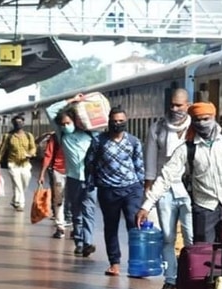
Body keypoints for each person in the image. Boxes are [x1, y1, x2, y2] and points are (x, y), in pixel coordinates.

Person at [136, 101, 222, 244]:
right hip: (204, 209)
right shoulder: (186, 149)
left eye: (206, 119)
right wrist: (146, 206)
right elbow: (166, 177)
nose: (202, 123)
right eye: (197, 120)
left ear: (214, 117)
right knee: (204, 254)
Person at [143, 88, 193, 289]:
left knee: (191, 239)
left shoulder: (195, 126)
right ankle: (170, 281)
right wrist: (149, 190)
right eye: (172, 105)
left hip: (190, 190)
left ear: (187, 105)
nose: (175, 109)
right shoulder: (158, 128)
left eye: (179, 105)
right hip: (164, 190)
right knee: (167, 237)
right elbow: (151, 161)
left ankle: (191, 280)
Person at [86, 106, 144, 276]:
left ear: (125, 122)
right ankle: (115, 263)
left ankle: (136, 263)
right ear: (109, 122)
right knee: (111, 227)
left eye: (121, 121)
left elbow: (139, 166)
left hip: (131, 189)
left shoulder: (133, 142)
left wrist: (142, 189)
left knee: (134, 227)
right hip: (108, 190)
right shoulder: (98, 141)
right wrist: (90, 184)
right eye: (114, 121)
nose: (117, 124)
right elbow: (89, 163)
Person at [46, 94, 97, 257]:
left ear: (75, 121)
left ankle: (88, 241)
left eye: (68, 123)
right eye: (63, 124)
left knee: (88, 211)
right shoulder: (63, 136)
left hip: (90, 180)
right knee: (76, 212)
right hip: (73, 179)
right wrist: (72, 100)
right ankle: (79, 242)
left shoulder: (90, 135)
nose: (65, 126)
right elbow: (50, 110)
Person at [0, 115, 36, 212]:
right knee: (17, 184)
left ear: (23, 123)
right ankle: (20, 203)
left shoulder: (29, 136)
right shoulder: (8, 136)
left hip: (25, 164)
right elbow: (2, 149)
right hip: (12, 163)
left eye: (20, 122)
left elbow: (33, 147)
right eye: (16, 123)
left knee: (25, 182)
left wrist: (30, 154)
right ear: (13, 124)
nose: (18, 124)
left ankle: (15, 200)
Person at [38, 131, 69, 239]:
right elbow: (48, 155)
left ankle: (77, 227)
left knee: (76, 201)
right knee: (58, 200)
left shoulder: (81, 135)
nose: (66, 126)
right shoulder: (55, 137)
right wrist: (42, 173)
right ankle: (60, 227)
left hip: (75, 172)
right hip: (58, 171)